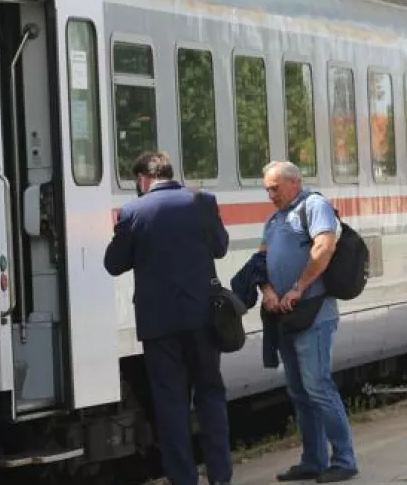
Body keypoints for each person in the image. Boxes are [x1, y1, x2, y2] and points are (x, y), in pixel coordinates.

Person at [103, 151, 233, 485]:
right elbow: (220, 247)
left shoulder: (134, 211)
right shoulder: (203, 201)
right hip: (203, 318)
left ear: (143, 180)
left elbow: (113, 263)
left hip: (159, 324)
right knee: (210, 395)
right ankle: (220, 476)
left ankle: (183, 479)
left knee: (171, 403)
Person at [258, 161, 359, 483]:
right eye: (266, 189)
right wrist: (268, 290)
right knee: (300, 392)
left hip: (313, 314)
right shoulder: (275, 218)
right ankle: (313, 460)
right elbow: (261, 258)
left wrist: (299, 287)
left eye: (275, 187)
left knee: (318, 387)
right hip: (284, 315)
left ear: (294, 182)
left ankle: (343, 459)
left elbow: (324, 246)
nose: (270, 194)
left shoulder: (313, 206)